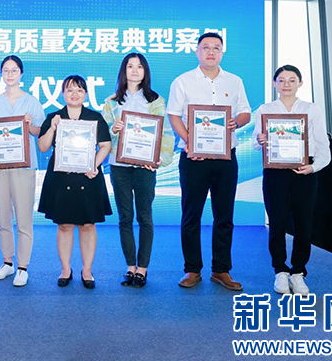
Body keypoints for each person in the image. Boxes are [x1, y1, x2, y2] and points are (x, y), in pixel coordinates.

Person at [167, 32, 251, 291]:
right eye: (206, 47)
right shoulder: (183, 81)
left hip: (226, 157)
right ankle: (192, 269)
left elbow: (245, 112)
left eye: (216, 47)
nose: (211, 52)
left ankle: (221, 269)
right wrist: (190, 141)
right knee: (191, 214)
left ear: (222, 52)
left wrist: (236, 122)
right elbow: (174, 115)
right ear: (197, 51)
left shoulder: (235, 81)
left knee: (224, 215)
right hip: (193, 157)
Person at [253, 65, 330, 296]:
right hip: (275, 171)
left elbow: (323, 144)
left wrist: (313, 167)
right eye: (282, 80)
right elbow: (257, 143)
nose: (286, 84)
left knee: (303, 222)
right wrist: (261, 139)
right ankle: (280, 270)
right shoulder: (265, 109)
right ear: (274, 83)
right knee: (276, 222)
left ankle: (298, 273)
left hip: (304, 170)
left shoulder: (311, 109)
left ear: (300, 83)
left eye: (292, 80)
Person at [102, 54, 174, 288]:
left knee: (145, 216)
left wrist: (159, 160)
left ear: (145, 71)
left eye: (140, 66)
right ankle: (130, 267)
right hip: (119, 166)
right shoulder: (111, 102)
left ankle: (142, 268)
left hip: (145, 166)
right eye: (130, 66)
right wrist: (113, 129)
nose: (135, 70)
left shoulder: (156, 101)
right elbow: (102, 135)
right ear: (123, 71)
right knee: (125, 217)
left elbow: (166, 134)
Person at [37, 75, 112, 289]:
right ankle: (65, 269)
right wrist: (52, 128)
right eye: (69, 90)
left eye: (79, 90)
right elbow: (42, 147)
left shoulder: (95, 117)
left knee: (87, 225)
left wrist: (93, 165)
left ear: (86, 94)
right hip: (61, 179)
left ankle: (87, 270)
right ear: (63, 94)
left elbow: (105, 145)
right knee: (65, 224)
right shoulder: (54, 117)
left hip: (89, 177)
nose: (74, 94)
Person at [0, 55, 45, 287]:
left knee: (23, 217)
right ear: (1, 74)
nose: (10, 74)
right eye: (6, 70)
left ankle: (23, 266)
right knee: (3, 216)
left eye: (14, 70)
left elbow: (39, 132)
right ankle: (7, 262)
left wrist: (30, 124)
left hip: (24, 166)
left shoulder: (31, 102)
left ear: (21, 74)